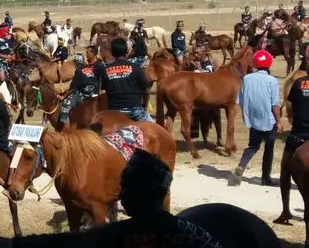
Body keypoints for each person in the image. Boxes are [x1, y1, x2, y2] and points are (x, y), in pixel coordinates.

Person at [95, 149, 221, 248]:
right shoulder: (192, 235)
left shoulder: (113, 236)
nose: (121, 196)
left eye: (126, 188)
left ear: (141, 192)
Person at [230, 50, 281, 186]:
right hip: (269, 121)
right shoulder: (272, 81)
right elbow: (275, 105)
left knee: (252, 146)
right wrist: (279, 122)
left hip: (253, 121)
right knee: (268, 149)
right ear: (269, 64)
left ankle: (241, 165)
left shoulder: (246, 78)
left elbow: (239, 100)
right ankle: (266, 178)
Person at [275, 68, 309, 225]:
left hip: (298, 135)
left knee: (285, 170)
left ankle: (285, 210)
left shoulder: (298, 83)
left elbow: (292, 106)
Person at [93, 38, 152, 122]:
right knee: (157, 130)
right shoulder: (135, 67)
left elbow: (104, 91)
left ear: (112, 52)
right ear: (127, 51)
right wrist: (145, 106)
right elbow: (146, 90)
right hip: (135, 111)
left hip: (114, 112)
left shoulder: (106, 70)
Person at [60, 48, 100, 124]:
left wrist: (63, 96)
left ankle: (63, 122)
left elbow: (73, 87)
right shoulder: (88, 68)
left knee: (66, 102)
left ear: (75, 63)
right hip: (94, 92)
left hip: (85, 94)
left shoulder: (78, 71)